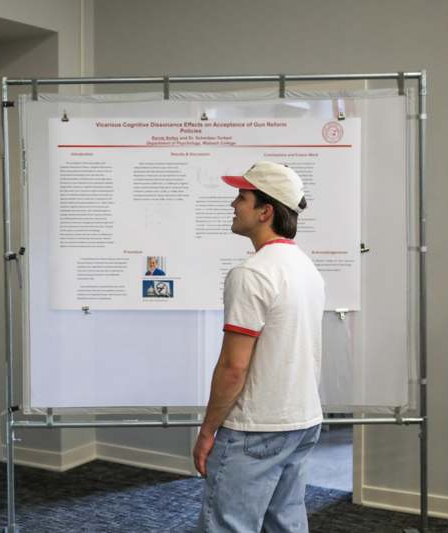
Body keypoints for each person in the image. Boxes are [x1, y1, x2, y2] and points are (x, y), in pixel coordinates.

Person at [194, 161, 325, 533]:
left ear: (265, 211)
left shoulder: (251, 274)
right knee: (284, 522)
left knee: (228, 525)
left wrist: (207, 432)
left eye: (242, 197)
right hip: (301, 420)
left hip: (255, 428)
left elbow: (234, 368)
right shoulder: (305, 268)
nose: (233, 205)